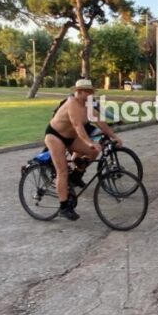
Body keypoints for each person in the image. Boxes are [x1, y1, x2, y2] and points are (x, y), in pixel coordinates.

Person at [45, 79, 121, 221]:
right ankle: (63, 206)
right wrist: (89, 142)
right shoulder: (72, 103)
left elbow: (100, 122)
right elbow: (77, 125)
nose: (90, 94)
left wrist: (114, 137)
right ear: (78, 92)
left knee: (93, 152)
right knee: (62, 171)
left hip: (71, 138)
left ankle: (76, 176)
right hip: (56, 137)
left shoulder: (88, 104)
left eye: (91, 92)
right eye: (87, 92)